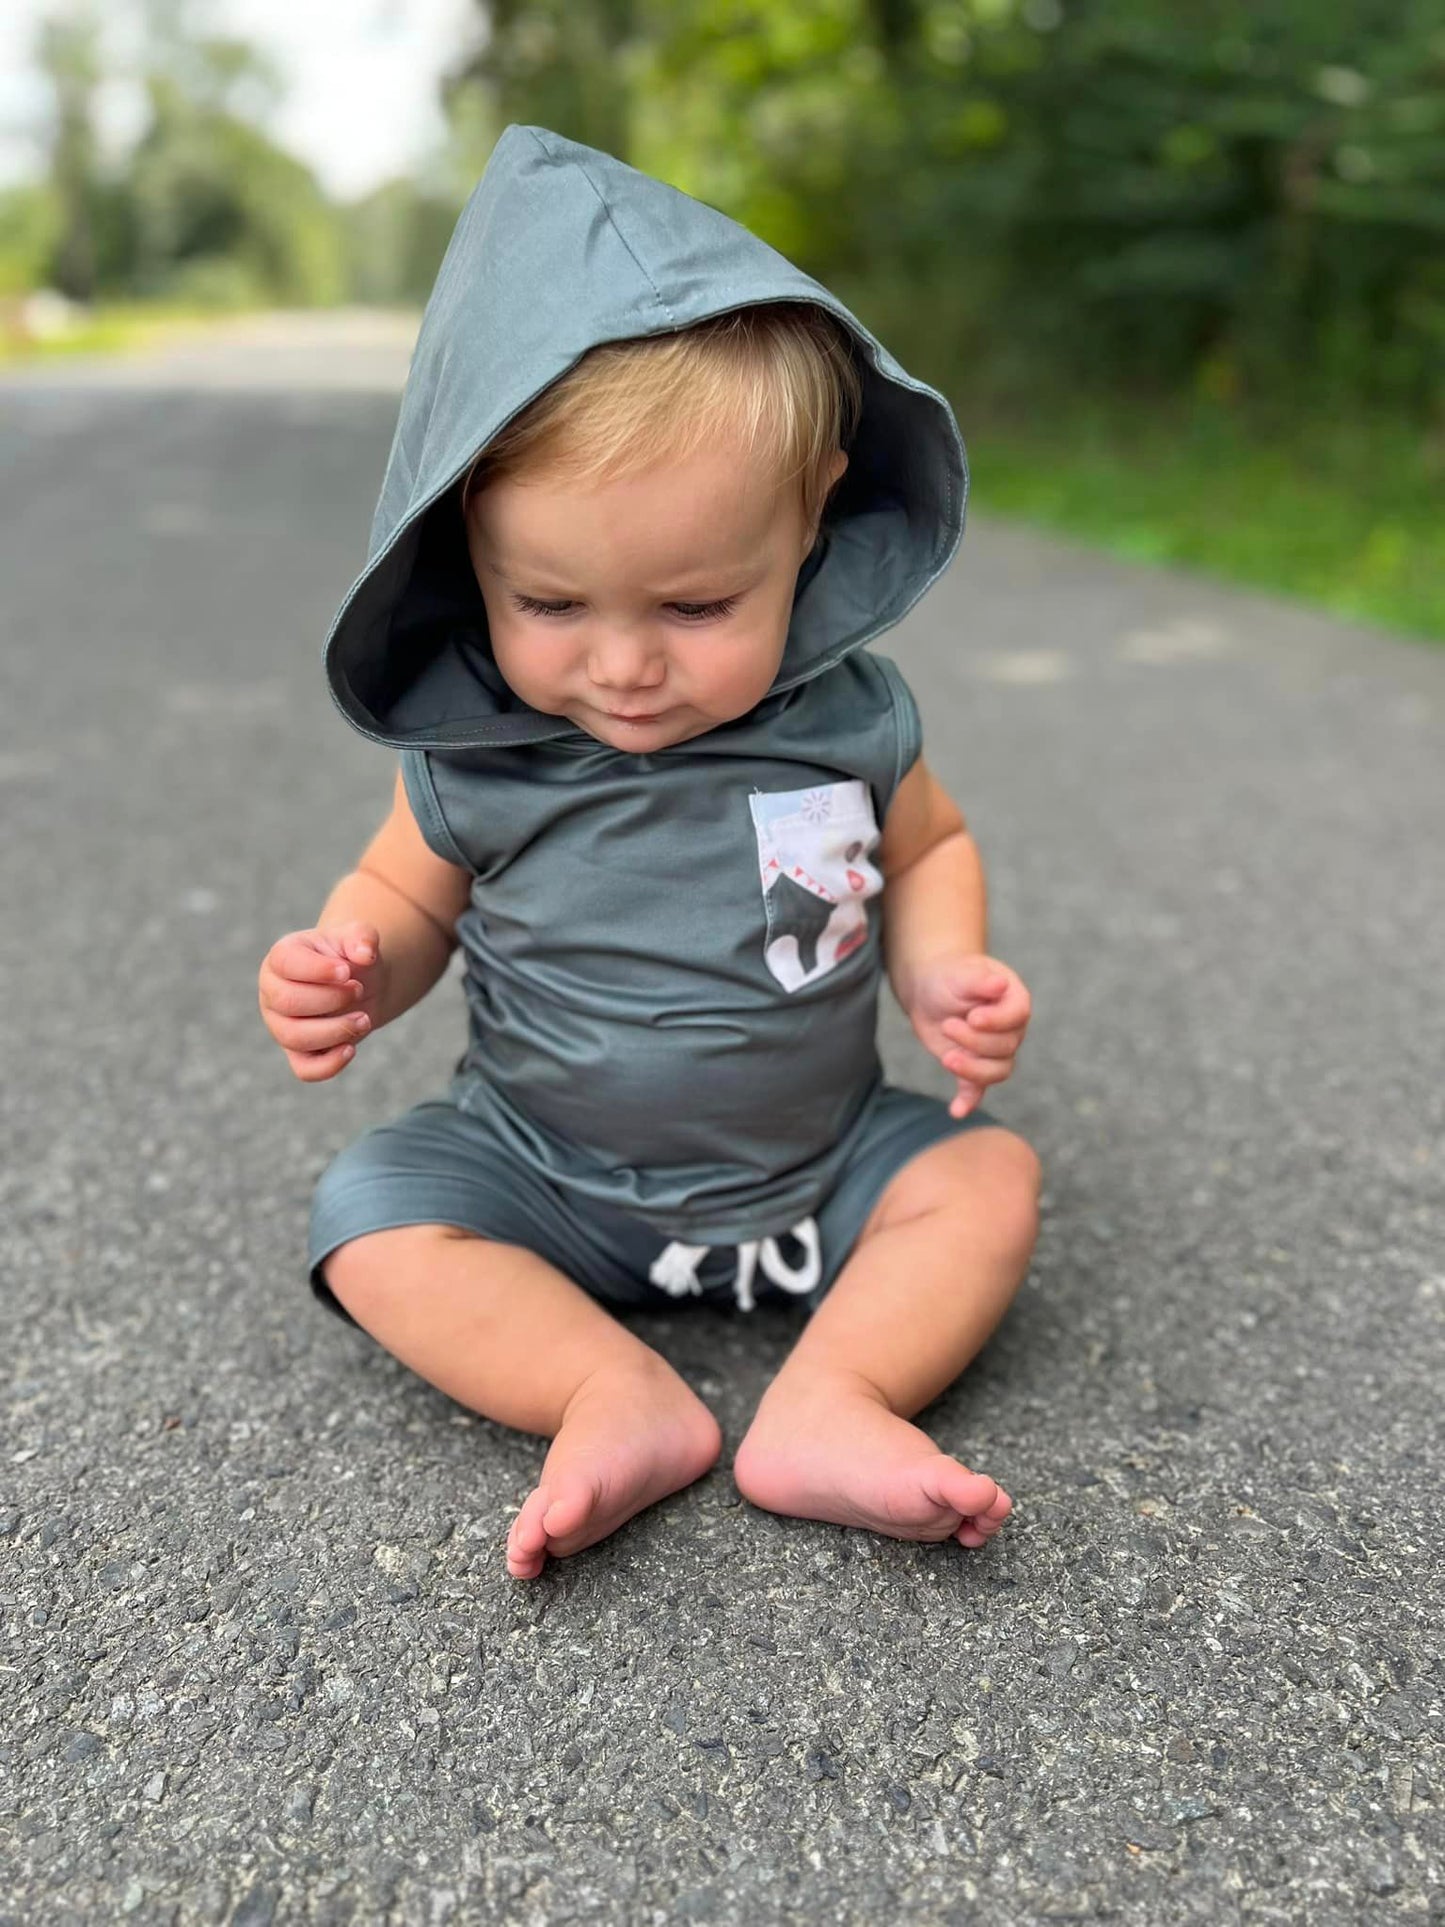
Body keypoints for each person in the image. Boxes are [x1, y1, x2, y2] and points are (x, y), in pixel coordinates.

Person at [257, 125, 1041, 1581]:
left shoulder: (847, 723)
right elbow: (401, 898)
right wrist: (352, 970)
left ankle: (830, 1397)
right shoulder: (476, 755)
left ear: (808, 521)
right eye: (548, 601)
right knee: (370, 1220)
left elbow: (930, 847)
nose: (621, 668)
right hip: (545, 1178)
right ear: (465, 544)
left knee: (982, 1182)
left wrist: (946, 971)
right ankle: (606, 1389)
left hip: (815, 1169)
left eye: (694, 608)